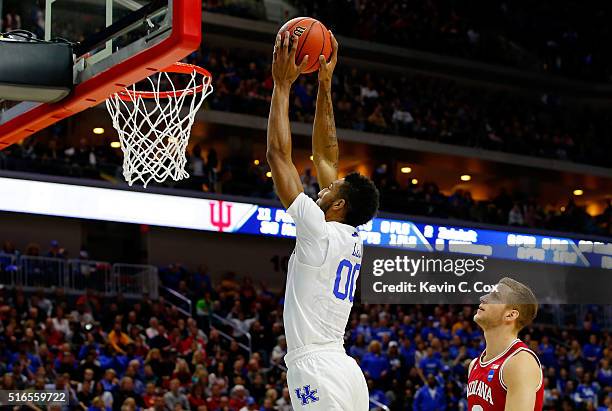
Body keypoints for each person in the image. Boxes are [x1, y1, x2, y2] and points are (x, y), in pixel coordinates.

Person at [266, 30, 379, 410]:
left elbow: (279, 157)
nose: (321, 189)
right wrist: (324, 85)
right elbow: (326, 156)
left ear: (339, 203)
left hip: (316, 367)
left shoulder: (318, 231)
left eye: (329, 191)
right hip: (343, 368)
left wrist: (282, 85)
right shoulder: (349, 237)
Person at [468, 277, 544, 410]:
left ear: (510, 315)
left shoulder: (520, 363)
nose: (483, 298)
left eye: (495, 296)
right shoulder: (474, 364)